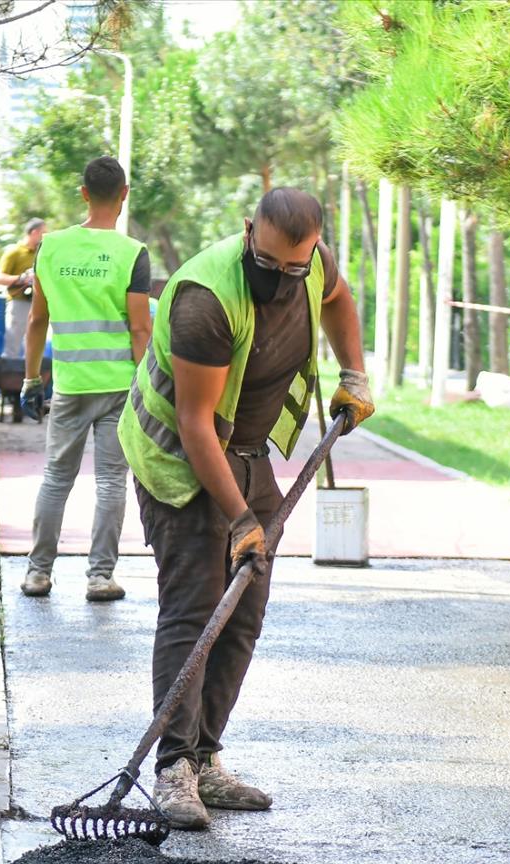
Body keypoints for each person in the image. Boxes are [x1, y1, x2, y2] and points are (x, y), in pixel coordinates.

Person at [117, 187, 373, 830]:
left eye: (296, 268)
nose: (283, 280)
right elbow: (196, 424)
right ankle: (172, 768)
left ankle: (204, 760)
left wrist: (355, 372)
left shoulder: (314, 264)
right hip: (180, 457)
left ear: (311, 248)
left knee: (243, 613)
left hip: (247, 450)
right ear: (249, 233)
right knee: (195, 610)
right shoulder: (206, 298)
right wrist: (240, 521)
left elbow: (339, 300)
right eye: (271, 266)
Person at [19, 157, 152, 602]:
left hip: (70, 386)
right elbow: (139, 329)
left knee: (56, 478)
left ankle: (38, 574)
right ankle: (99, 577)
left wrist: (32, 379)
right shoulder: (132, 253)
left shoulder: (50, 247)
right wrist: (147, 384)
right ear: (124, 193)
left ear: (83, 193)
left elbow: (37, 320)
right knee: (111, 482)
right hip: (118, 388)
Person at [0, 218, 46, 358]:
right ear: (34, 232)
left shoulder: (41, 253)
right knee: (13, 345)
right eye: (44, 232)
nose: (45, 236)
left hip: (37, 303)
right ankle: (9, 376)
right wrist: (21, 279)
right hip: (19, 303)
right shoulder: (14, 252)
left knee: (33, 346)